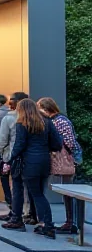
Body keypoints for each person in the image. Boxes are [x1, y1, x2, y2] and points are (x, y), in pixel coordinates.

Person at [2, 98, 63, 238]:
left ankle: (47, 225)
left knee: (37, 194)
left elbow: (19, 145)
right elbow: (57, 144)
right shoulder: (47, 122)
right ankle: (43, 222)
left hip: (30, 163)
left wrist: (9, 161)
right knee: (40, 192)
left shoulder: (22, 123)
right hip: (44, 162)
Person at [38, 97, 82, 234]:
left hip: (65, 160)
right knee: (65, 191)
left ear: (46, 108)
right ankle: (70, 222)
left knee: (67, 191)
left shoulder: (60, 121)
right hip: (63, 159)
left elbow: (70, 141)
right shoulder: (56, 120)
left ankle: (71, 222)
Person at [0, 92, 30, 223]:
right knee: (28, 187)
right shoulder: (35, 118)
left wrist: (1, 153)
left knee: (15, 185)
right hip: (30, 157)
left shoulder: (9, 118)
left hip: (12, 156)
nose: (9, 103)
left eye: (12, 100)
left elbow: (3, 139)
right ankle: (28, 213)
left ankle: (15, 212)